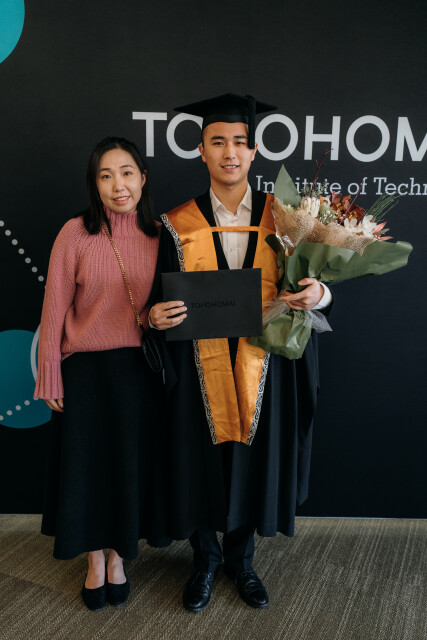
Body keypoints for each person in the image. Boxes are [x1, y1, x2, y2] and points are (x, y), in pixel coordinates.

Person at [150, 94, 332, 612]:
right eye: (217, 142)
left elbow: (317, 282)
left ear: (254, 152)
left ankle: (242, 560)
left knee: (253, 460)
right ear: (201, 151)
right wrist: (153, 315)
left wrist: (320, 294)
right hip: (199, 363)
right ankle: (205, 560)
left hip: (264, 361)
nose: (229, 152)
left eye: (239, 142)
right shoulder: (176, 223)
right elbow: (154, 296)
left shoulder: (288, 218)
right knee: (200, 458)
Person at [34, 137, 167, 611]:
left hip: (137, 372)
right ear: (95, 184)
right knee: (87, 470)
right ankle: (94, 560)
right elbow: (54, 308)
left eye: (127, 173)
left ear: (142, 178)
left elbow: (166, 306)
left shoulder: (162, 236)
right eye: (105, 176)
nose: (118, 185)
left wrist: (155, 317)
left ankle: (118, 558)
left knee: (126, 469)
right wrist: (50, 374)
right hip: (85, 372)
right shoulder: (75, 233)